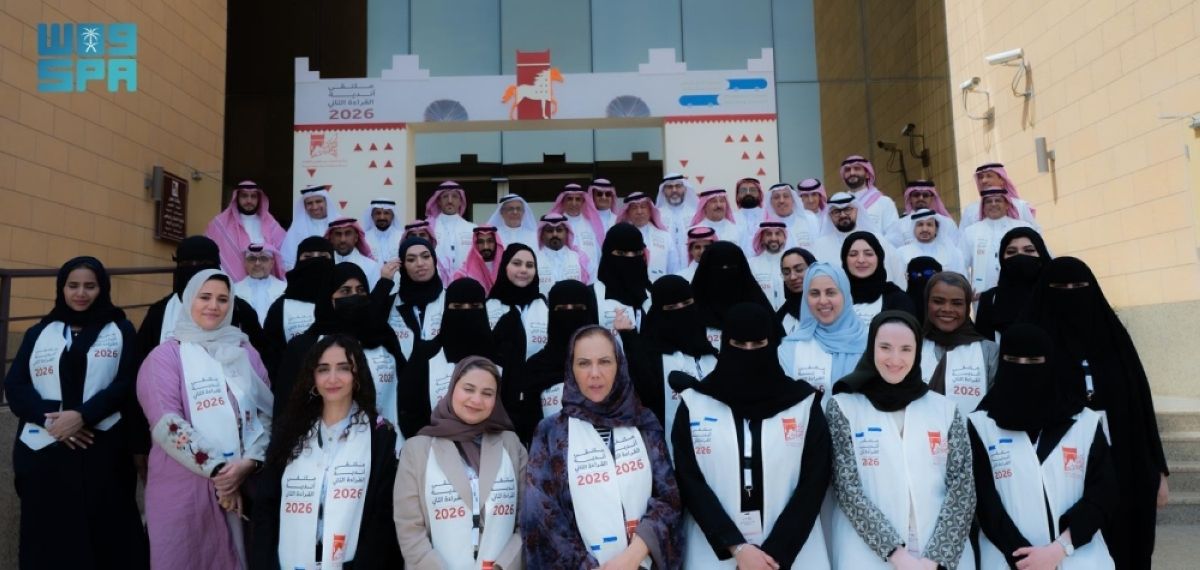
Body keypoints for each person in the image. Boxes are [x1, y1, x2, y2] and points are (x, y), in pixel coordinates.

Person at [1021, 257, 1169, 569]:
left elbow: (1141, 404)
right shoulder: (1036, 341)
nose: (1070, 294)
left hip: (1127, 462)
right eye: (1060, 287)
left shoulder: (1114, 338)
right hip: (1065, 471)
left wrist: (1158, 469)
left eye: (1078, 286)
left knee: (1130, 547)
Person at [5, 256, 149, 568]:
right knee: (48, 541)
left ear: (102, 288)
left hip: (101, 449)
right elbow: (15, 386)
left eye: (89, 286)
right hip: (46, 452)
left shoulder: (121, 329)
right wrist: (55, 421)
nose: (80, 293)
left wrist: (82, 416)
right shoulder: (38, 332)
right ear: (62, 288)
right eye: (73, 286)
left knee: (108, 539)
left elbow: (126, 382)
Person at [672, 303, 832, 569]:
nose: (748, 352)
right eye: (739, 344)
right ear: (725, 344)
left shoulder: (803, 405)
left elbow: (815, 480)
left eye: (758, 344)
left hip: (793, 553)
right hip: (715, 553)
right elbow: (689, 480)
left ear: (771, 344)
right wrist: (735, 546)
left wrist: (776, 552)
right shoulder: (694, 404)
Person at [137, 270, 273, 569]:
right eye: (205, 297)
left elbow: (265, 413)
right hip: (185, 489)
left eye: (223, 299)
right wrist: (222, 473)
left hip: (246, 481)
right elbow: (167, 425)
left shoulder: (245, 351)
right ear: (189, 300)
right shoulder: (164, 357)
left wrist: (250, 462)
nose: (214, 306)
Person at [521, 326, 683, 569]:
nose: (595, 373)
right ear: (571, 369)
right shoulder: (551, 432)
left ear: (619, 365)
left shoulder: (643, 422)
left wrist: (633, 556)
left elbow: (669, 498)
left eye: (605, 362)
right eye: (584, 363)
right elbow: (542, 516)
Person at [827, 311, 975, 570]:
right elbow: (847, 489)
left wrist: (934, 560)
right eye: (885, 347)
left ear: (917, 352)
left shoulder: (944, 409)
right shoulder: (844, 407)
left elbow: (962, 488)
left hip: (937, 556)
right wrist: (898, 556)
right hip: (868, 556)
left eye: (906, 349)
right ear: (871, 347)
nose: (895, 359)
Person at [967, 323, 1117, 570]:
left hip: (1079, 558)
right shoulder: (980, 425)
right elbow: (985, 505)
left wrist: (1061, 547)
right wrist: (1025, 560)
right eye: (1013, 360)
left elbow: (1103, 492)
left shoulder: (1085, 422)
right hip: (1008, 560)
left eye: (1034, 360)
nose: (1023, 369)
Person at [252, 335, 401, 569]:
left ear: (357, 375)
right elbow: (266, 505)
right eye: (323, 369)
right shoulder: (288, 432)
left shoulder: (380, 435)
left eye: (343, 368)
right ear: (312, 376)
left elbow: (382, 516)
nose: (332, 378)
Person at [394, 356, 528, 569]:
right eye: (468, 389)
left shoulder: (511, 445)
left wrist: (502, 566)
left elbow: (527, 521)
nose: (476, 400)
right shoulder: (417, 450)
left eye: (487, 393)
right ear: (452, 389)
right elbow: (409, 528)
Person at [273, 263, 405, 431]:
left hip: (387, 440)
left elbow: (406, 388)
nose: (354, 296)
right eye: (345, 291)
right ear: (329, 298)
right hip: (319, 442)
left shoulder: (383, 336)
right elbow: (286, 404)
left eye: (360, 290)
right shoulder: (304, 346)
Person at [137, 236, 268, 361]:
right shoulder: (159, 312)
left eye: (204, 264)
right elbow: (142, 361)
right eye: (187, 264)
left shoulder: (241, 310)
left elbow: (260, 359)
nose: (213, 306)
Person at [397, 278, 499, 438]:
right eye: (458, 307)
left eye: (474, 307)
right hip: (434, 445)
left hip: (490, 444)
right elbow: (410, 409)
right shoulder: (425, 354)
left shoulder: (500, 356)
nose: (466, 313)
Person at [624, 275, 719, 440]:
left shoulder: (712, 354)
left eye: (687, 303)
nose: (681, 311)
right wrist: (628, 338)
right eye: (672, 307)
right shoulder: (649, 357)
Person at [505, 280, 599, 444]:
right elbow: (529, 426)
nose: (570, 315)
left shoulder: (607, 364)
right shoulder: (535, 367)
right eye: (562, 309)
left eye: (578, 308)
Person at [778, 262, 868, 399]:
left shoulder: (872, 343)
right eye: (814, 293)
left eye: (830, 292)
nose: (823, 301)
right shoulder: (790, 348)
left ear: (845, 294)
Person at [919, 271, 998, 416]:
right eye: (938, 301)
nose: (947, 309)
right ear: (927, 303)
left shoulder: (989, 351)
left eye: (957, 303)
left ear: (967, 307)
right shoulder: (911, 347)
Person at [691, 241, 779, 348]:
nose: (725, 277)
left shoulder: (759, 312)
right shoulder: (690, 313)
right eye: (718, 269)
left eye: (731, 268)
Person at [262, 236, 334, 365]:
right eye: (308, 257)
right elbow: (271, 355)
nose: (315, 262)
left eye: (323, 256)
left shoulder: (343, 301)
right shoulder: (281, 307)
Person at [812, 193, 906, 288]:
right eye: (836, 211)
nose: (843, 215)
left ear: (856, 210)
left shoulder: (878, 239)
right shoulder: (820, 245)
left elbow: (897, 271)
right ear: (830, 215)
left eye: (847, 209)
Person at [974, 227, 1051, 342]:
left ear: (1042, 255)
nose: (1020, 256)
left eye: (1029, 250)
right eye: (1011, 252)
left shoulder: (1056, 294)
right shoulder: (990, 299)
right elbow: (984, 346)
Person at [380, 237, 447, 360]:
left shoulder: (450, 299)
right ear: (403, 266)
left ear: (434, 260)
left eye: (426, 256)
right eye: (411, 259)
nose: (420, 263)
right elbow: (369, 333)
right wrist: (384, 282)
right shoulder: (390, 303)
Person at [206, 180, 287, 280]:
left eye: (253, 196)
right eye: (244, 196)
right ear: (237, 198)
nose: (249, 201)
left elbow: (285, 252)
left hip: (265, 282)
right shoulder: (220, 224)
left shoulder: (270, 224)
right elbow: (207, 252)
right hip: (231, 282)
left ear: (259, 199)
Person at [961, 188, 1035, 294]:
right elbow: (961, 264)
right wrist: (966, 290)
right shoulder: (970, 232)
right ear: (983, 207)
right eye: (988, 201)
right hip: (982, 294)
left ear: (1007, 205)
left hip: (1020, 290)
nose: (993, 204)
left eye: (998, 200)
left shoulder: (1023, 227)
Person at [490, 244, 551, 364]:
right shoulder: (487, 306)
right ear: (505, 266)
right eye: (517, 263)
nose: (523, 270)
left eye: (530, 265)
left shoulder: (545, 306)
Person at [841, 231, 916, 325]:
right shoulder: (834, 296)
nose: (861, 260)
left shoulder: (898, 299)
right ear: (845, 260)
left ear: (879, 258)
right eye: (853, 254)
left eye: (868, 254)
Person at [593, 222, 653, 331]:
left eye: (636, 253)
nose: (630, 259)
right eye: (621, 253)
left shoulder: (654, 293)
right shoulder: (592, 296)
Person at [617, 191, 680, 280]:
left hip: (659, 287)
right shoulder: (619, 238)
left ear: (650, 211)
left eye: (643, 207)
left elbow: (674, 270)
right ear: (627, 213)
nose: (639, 212)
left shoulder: (665, 237)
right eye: (634, 208)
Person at [549, 182, 606, 277]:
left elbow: (599, 254)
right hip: (564, 278)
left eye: (578, 199)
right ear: (562, 202)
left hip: (592, 279)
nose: (574, 203)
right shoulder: (556, 226)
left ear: (583, 202)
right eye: (569, 199)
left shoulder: (592, 225)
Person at [282, 184, 343, 270]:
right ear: (304, 206)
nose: (314, 207)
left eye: (318, 201)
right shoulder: (297, 227)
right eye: (309, 203)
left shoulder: (340, 223)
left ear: (326, 202)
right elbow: (288, 259)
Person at [961, 163, 1038, 231]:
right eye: (981, 177)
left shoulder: (1020, 206)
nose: (984, 181)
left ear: (1002, 180)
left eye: (989, 176)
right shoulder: (970, 210)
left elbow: (1034, 233)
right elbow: (962, 238)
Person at [887, 180, 959, 247]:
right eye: (916, 195)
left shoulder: (947, 223)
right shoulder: (900, 224)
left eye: (925, 195)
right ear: (910, 198)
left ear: (932, 198)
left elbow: (956, 248)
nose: (921, 198)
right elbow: (893, 250)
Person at [426, 180, 477, 273]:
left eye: (454, 196)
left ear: (461, 201)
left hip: (465, 278)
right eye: (445, 196)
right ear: (438, 201)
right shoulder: (428, 228)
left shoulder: (472, 228)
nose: (450, 201)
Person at [839, 155, 899, 233]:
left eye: (857, 168)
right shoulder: (838, 204)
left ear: (867, 174)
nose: (852, 173)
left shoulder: (884, 202)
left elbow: (894, 235)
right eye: (847, 170)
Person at [893, 209, 965, 274]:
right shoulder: (901, 253)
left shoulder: (951, 253)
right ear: (913, 228)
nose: (925, 229)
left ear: (936, 229)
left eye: (929, 225)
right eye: (920, 225)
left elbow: (959, 280)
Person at [535, 213, 591, 295]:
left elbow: (586, 288)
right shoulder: (533, 259)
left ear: (567, 233)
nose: (555, 234)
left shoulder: (579, 258)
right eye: (550, 230)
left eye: (559, 230)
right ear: (542, 234)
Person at [232, 243, 287, 326]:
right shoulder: (234, 290)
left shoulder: (285, 289)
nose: (257, 263)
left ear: (272, 263)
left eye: (263, 259)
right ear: (245, 263)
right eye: (252, 259)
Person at [656, 173, 700, 266]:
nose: (674, 190)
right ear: (663, 191)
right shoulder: (657, 215)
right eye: (669, 187)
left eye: (678, 186)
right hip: (666, 266)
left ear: (685, 188)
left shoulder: (695, 214)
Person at [451, 226, 504, 299]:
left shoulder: (507, 267)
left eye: (490, 241)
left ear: (496, 243)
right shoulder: (464, 273)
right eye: (481, 242)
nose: (485, 247)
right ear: (476, 244)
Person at [325, 217, 381, 285]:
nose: (343, 240)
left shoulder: (371, 267)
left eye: (348, 233)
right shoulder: (324, 266)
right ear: (331, 239)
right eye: (338, 234)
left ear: (356, 238)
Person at [747, 221, 790, 310]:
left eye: (778, 234)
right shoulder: (751, 264)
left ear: (784, 238)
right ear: (761, 238)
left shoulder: (792, 262)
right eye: (768, 234)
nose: (773, 238)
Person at [776, 247, 817, 334]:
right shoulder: (780, 317)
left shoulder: (833, 306)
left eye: (799, 270)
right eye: (786, 273)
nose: (793, 277)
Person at [767, 182, 819, 248]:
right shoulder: (765, 225)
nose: (781, 201)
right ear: (771, 202)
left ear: (793, 199)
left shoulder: (809, 218)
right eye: (776, 197)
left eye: (786, 196)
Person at [903, 256, 942, 326]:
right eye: (914, 275)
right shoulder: (902, 304)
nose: (920, 277)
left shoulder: (947, 301)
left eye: (928, 273)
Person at [733, 177, 768, 248]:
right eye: (743, 191)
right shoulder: (732, 218)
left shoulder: (768, 216)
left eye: (752, 190)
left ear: (759, 194)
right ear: (737, 196)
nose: (748, 193)